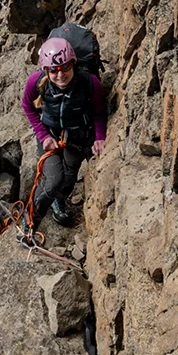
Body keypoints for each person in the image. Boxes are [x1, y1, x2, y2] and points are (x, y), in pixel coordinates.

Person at [21, 35, 107, 231]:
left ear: (73, 64)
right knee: (53, 180)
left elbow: (99, 112)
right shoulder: (36, 81)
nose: (60, 74)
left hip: (77, 135)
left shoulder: (89, 82)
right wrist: (43, 136)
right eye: (54, 70)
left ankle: (58, 201)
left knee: (68, 177)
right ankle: (29, 221)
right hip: (49, 133)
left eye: (65, 67)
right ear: (46, 70)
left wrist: (99, 137)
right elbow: (27, 106)